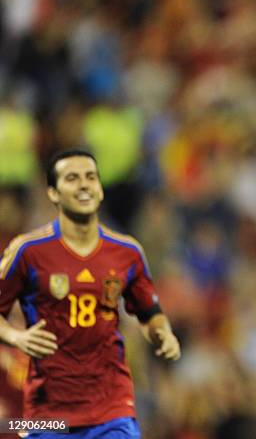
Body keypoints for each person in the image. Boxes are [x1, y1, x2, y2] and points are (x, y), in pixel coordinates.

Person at [0, 149, 181, 438]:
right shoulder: (27, 253)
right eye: (72, 178)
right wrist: (16, 337)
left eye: (91, 178)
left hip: (109, 410)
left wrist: (163, 333)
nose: (84, 185)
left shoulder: (126, 253)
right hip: (49, 417)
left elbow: (147, 314)